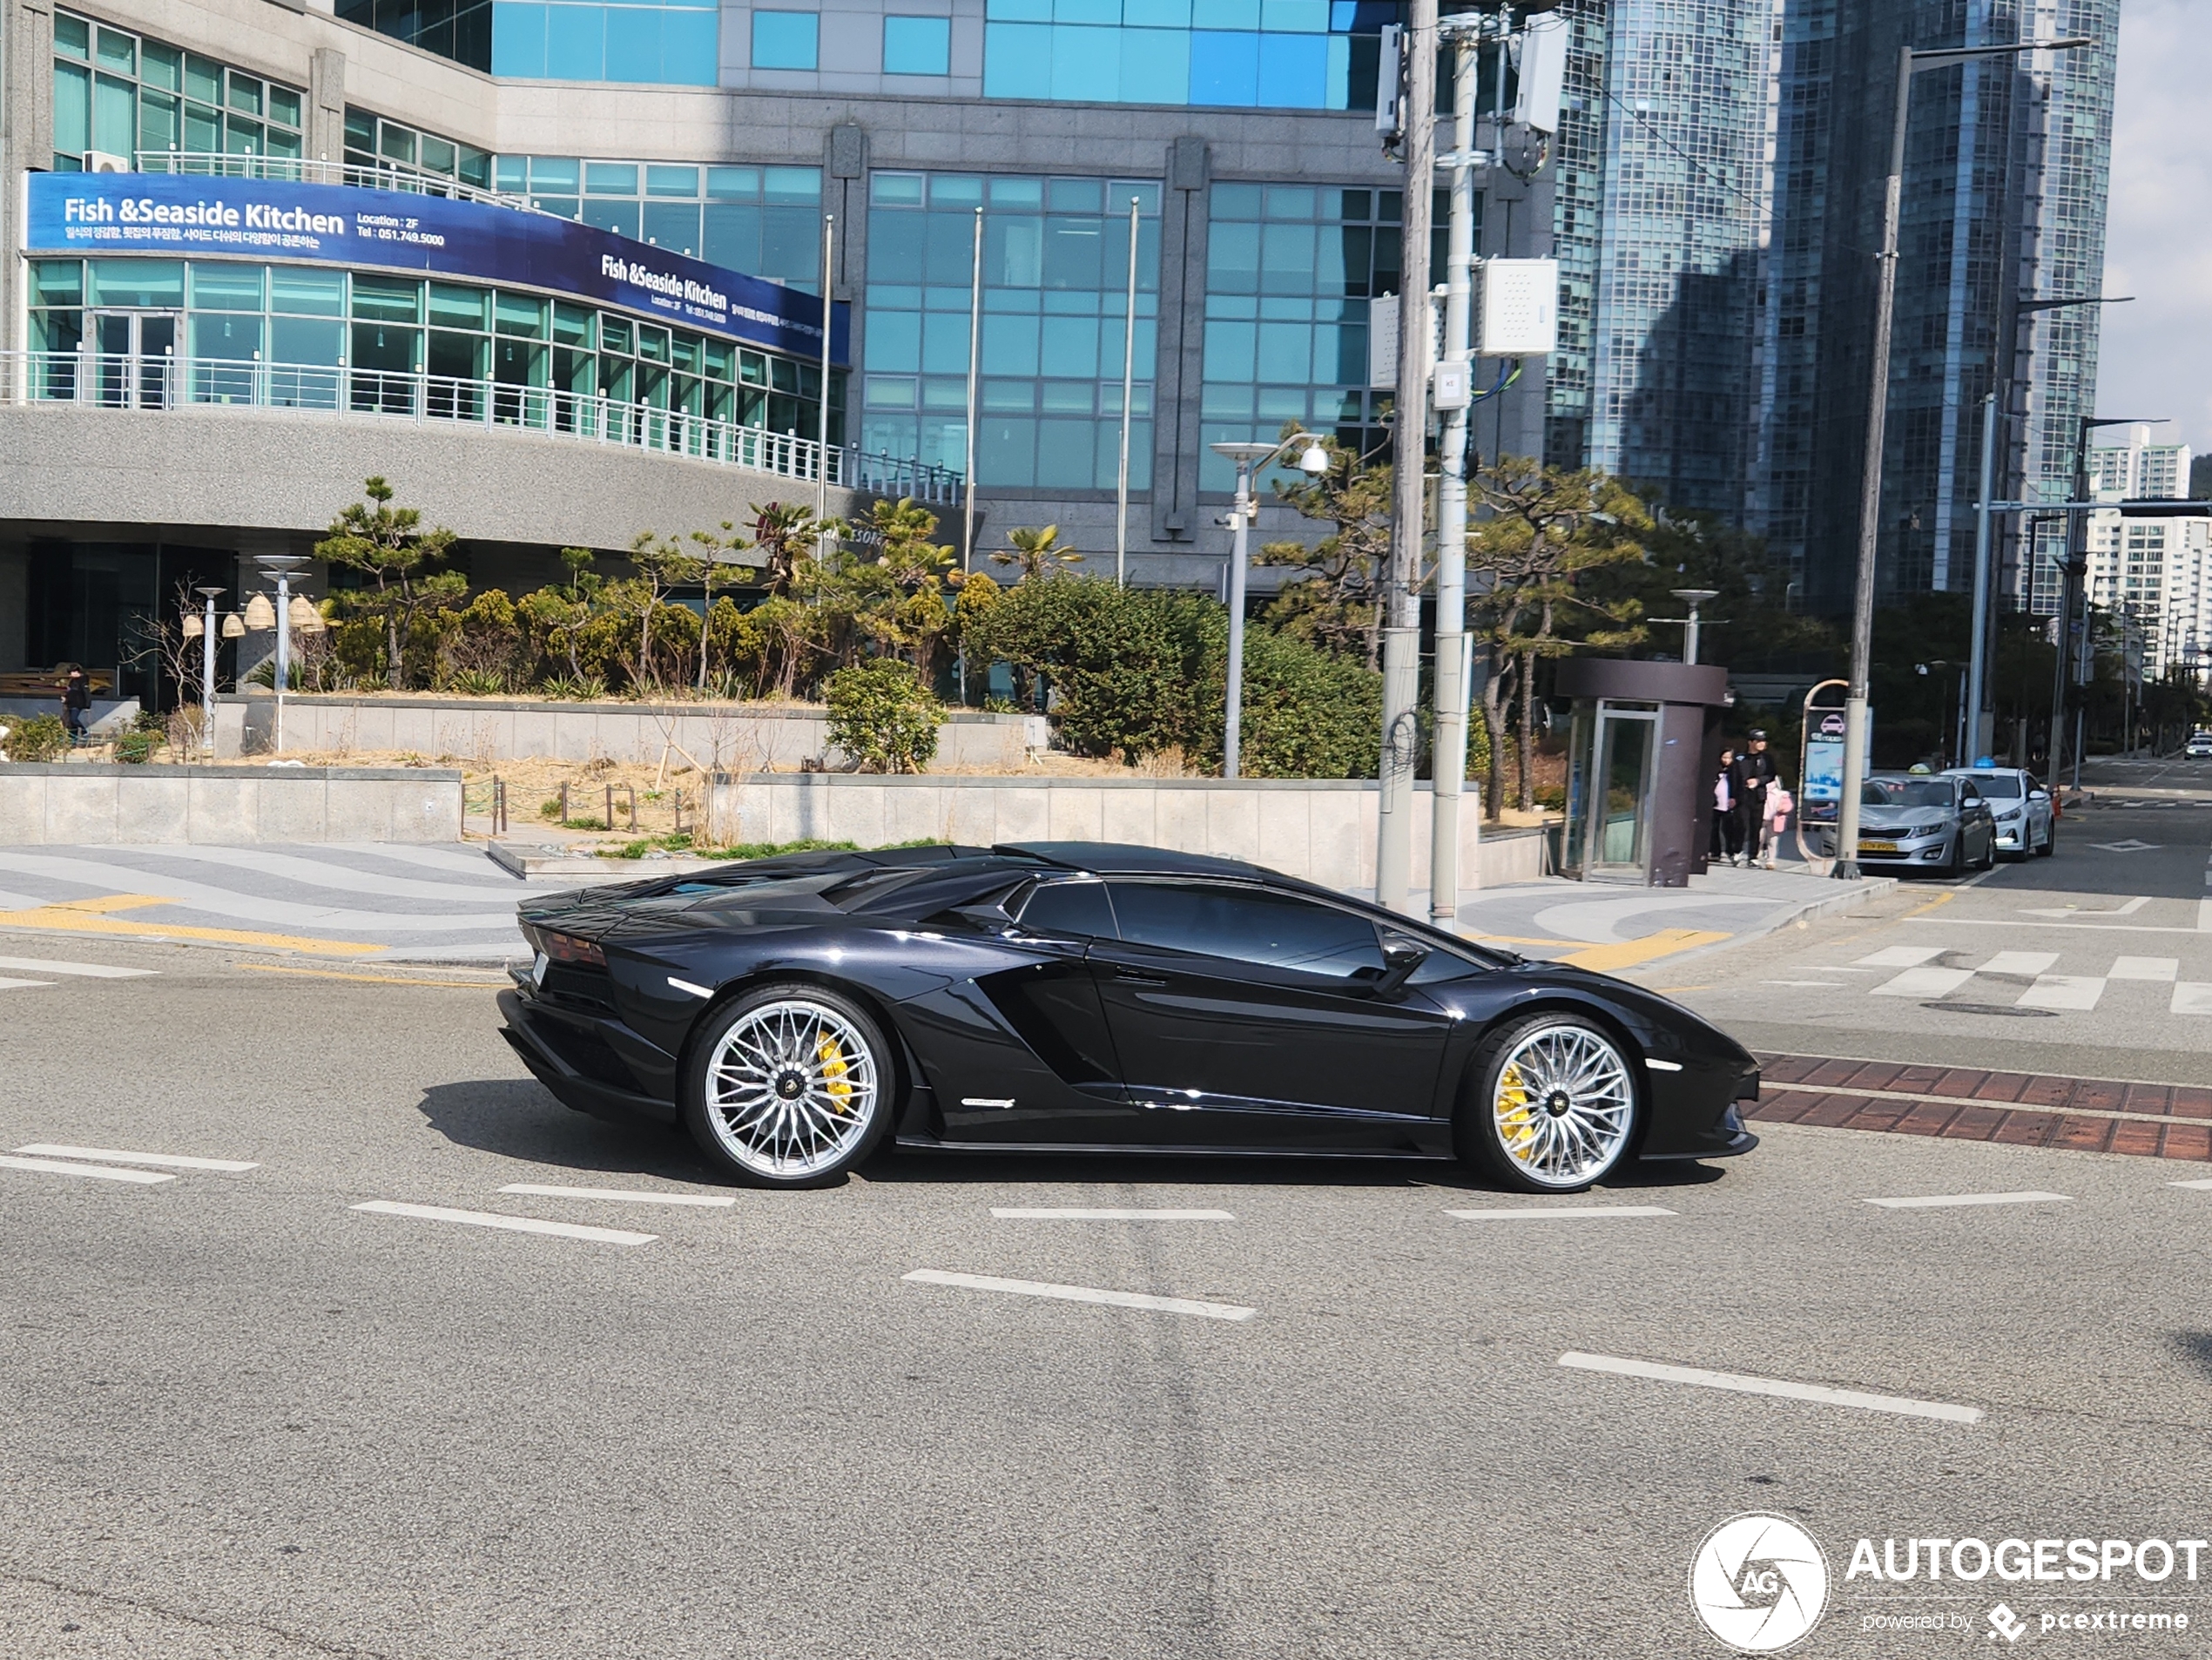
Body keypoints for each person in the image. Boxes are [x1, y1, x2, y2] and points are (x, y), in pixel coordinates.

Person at [1728, 730, 1780, 867]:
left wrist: (1758, 781)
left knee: (1756, 826)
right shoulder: (1740, 758)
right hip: (1741, 796)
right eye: (1758, 741)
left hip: (1758, 796)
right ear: (1750, 742)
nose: (1762, 744)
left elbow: (1771, 775)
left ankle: (1753, 856)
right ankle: (1737, 851)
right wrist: (1732, 796)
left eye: (1763, 741)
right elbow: (1733, 778)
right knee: (1741, 825)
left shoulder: (1767, 759)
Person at [1710, 746, 1742, 864]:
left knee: (1728, 829)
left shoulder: (1735, 770)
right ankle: (1715, 851)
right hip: (1716, 803)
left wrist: (1735, 798)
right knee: (1714, 828)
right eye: (1724, 757)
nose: (1726, 760)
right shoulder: (1716, 769)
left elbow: (1738, 785)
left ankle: (1731, 851)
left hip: (1729, 803)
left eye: (1729, 758)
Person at [59, 665, 91, 747]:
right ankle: (73, 742)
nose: (70, 674)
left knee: (74, 719)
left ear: (77, 672)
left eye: (72, 672)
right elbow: (70, 691)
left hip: (78, 703)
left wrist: (88, 705)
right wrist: (65, 698)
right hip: (70, 703)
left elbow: (87, 693)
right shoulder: (72, 681)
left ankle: (84, 731)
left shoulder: (83, 681)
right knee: (70, 724)